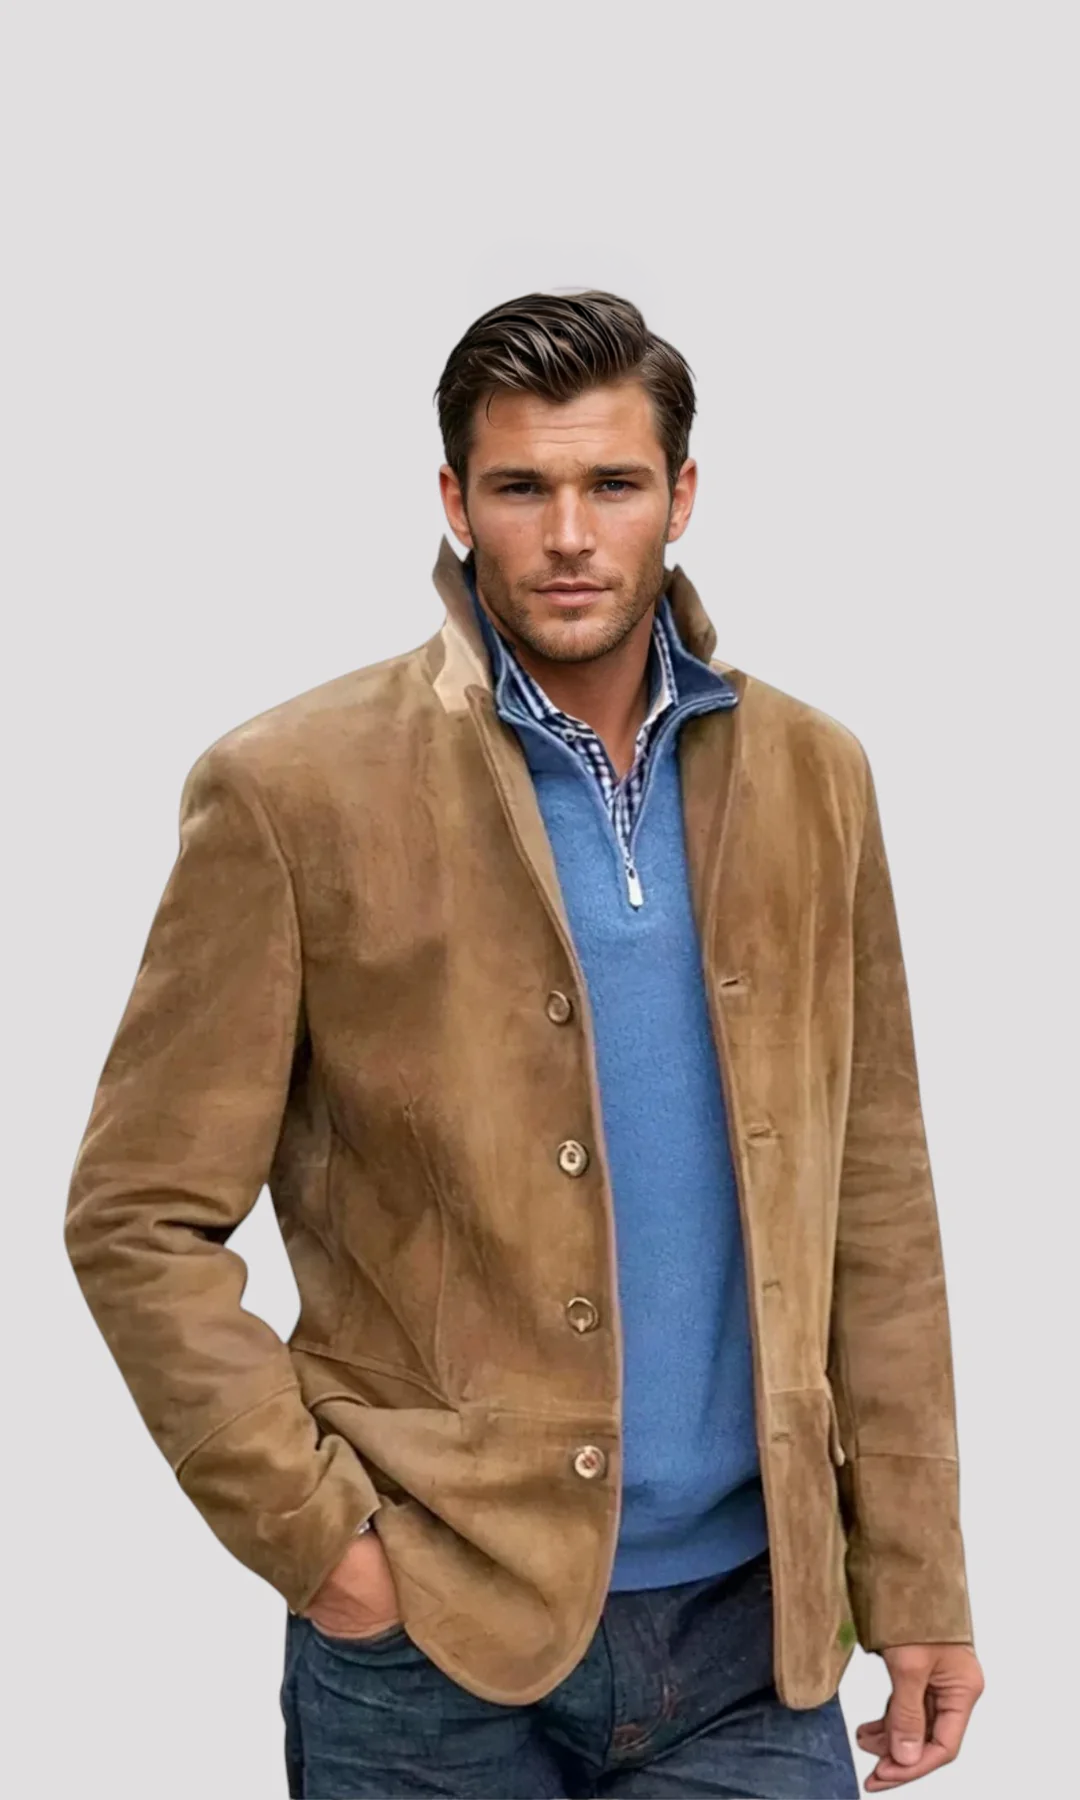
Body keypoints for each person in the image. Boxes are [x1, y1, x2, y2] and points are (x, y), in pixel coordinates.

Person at [64, 289, 984, 1798]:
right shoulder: (291, 789)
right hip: (429, 1642)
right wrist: (328, 1548)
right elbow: (136, 1215)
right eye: (521, 487)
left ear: (682, 494)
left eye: (613, 483)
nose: (569, 534)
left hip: (754, 1636)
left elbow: (876, 1203)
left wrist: (921, 1573)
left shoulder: (814, 774)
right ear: (454, 501)